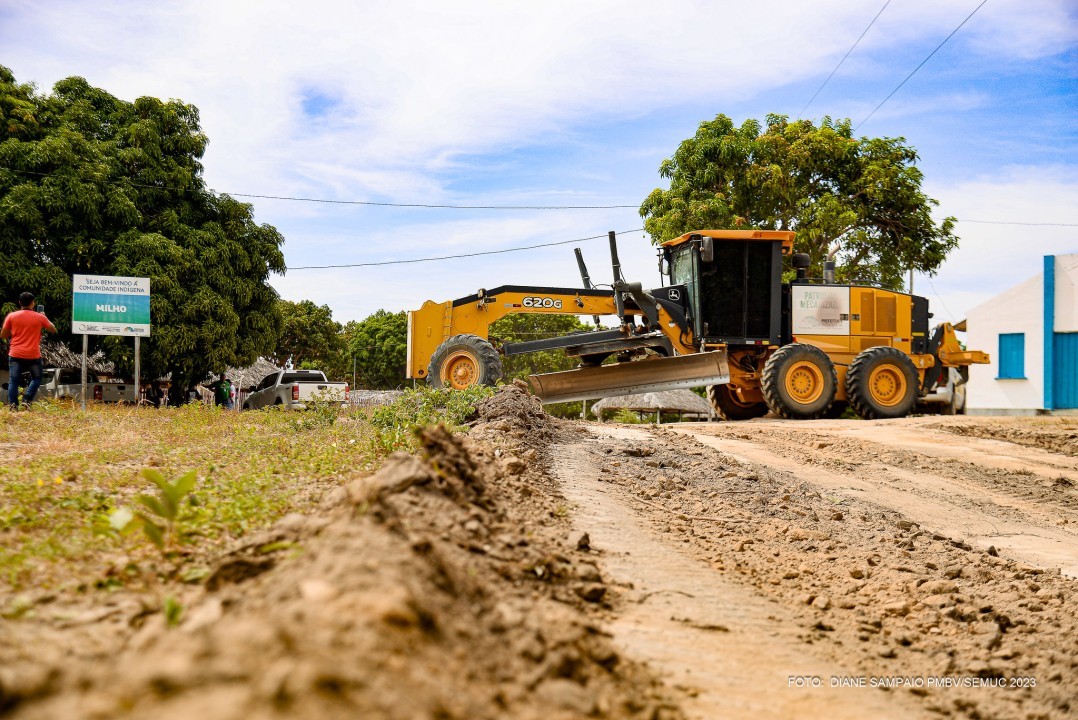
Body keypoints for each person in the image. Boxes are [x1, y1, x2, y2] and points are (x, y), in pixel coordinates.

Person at [1, 292, 57, 410]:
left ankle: (13, 405)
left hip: (15, 353)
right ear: (33, 303)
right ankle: (27, 400)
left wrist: (15, 331)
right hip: (33, 355)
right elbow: (53, 329)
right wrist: (44, 317)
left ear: (20, 303)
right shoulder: (40, 317)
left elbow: (3, 335)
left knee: (14, 380)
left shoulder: (11, 316)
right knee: (37, 378)